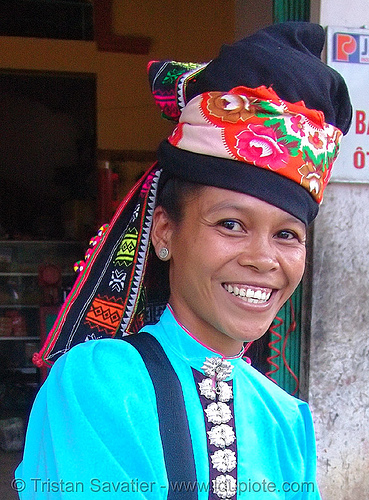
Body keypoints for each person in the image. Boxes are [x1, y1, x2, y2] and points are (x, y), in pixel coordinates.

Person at [16, 22, 351, 499]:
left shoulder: (285, 420)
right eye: (231, 225)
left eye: (287, 235)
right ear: (166, 232)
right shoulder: (99, 384)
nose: (263, 258)